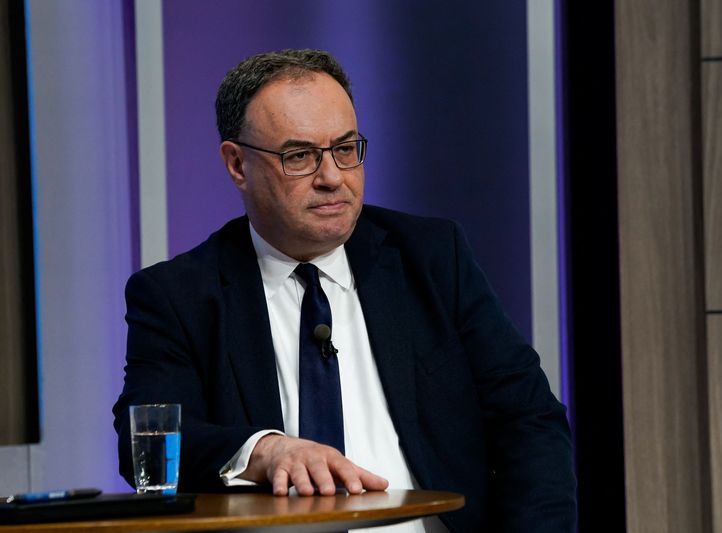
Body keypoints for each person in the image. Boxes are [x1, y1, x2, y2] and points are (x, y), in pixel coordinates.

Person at [113, 49, 576, 532]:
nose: (332, 177)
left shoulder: (433, 258)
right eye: (299, 156)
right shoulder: (178, 295)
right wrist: (266, 450)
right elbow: (143, 439)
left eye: (345, 148)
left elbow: (530, 420)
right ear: (237, 165)